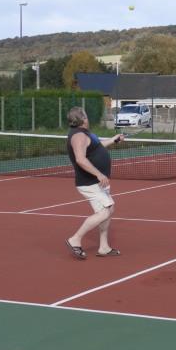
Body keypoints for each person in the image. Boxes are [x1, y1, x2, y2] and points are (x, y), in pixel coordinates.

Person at [65, 106, 124, 260]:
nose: (88, 118)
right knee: (107, 209)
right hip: (90, 182)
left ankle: (103, 247)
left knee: (104, 213)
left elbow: (97, 147)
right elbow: (80, 159)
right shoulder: (78, 136)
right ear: (83, 119)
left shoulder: (85, 134)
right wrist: (98, 174)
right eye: (86, 116)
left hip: (97, 182)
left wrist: (113, 140)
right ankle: (75, 239)